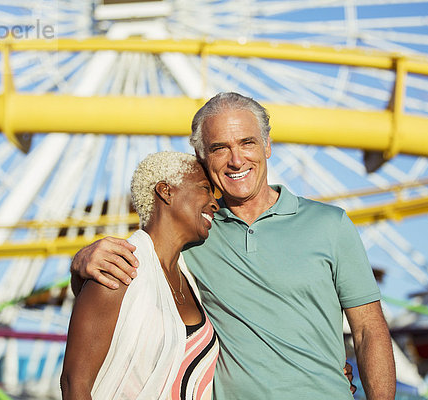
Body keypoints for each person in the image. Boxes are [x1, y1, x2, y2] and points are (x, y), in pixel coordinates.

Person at [70, 92, 396, 399]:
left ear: (267, 145)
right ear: (202, 156)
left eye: (247, 142)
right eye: (220, 148)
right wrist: (81, 262)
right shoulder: (196, 236)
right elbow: (130, 288)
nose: (236, 160)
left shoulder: (330, 224)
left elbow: (369, 329)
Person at [61, 152, 220, 399]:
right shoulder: (118, 270)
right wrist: (78, 266)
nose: (215, 204)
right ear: (166, 191)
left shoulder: (190, 278)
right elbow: (75, 383)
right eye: (204, 189)